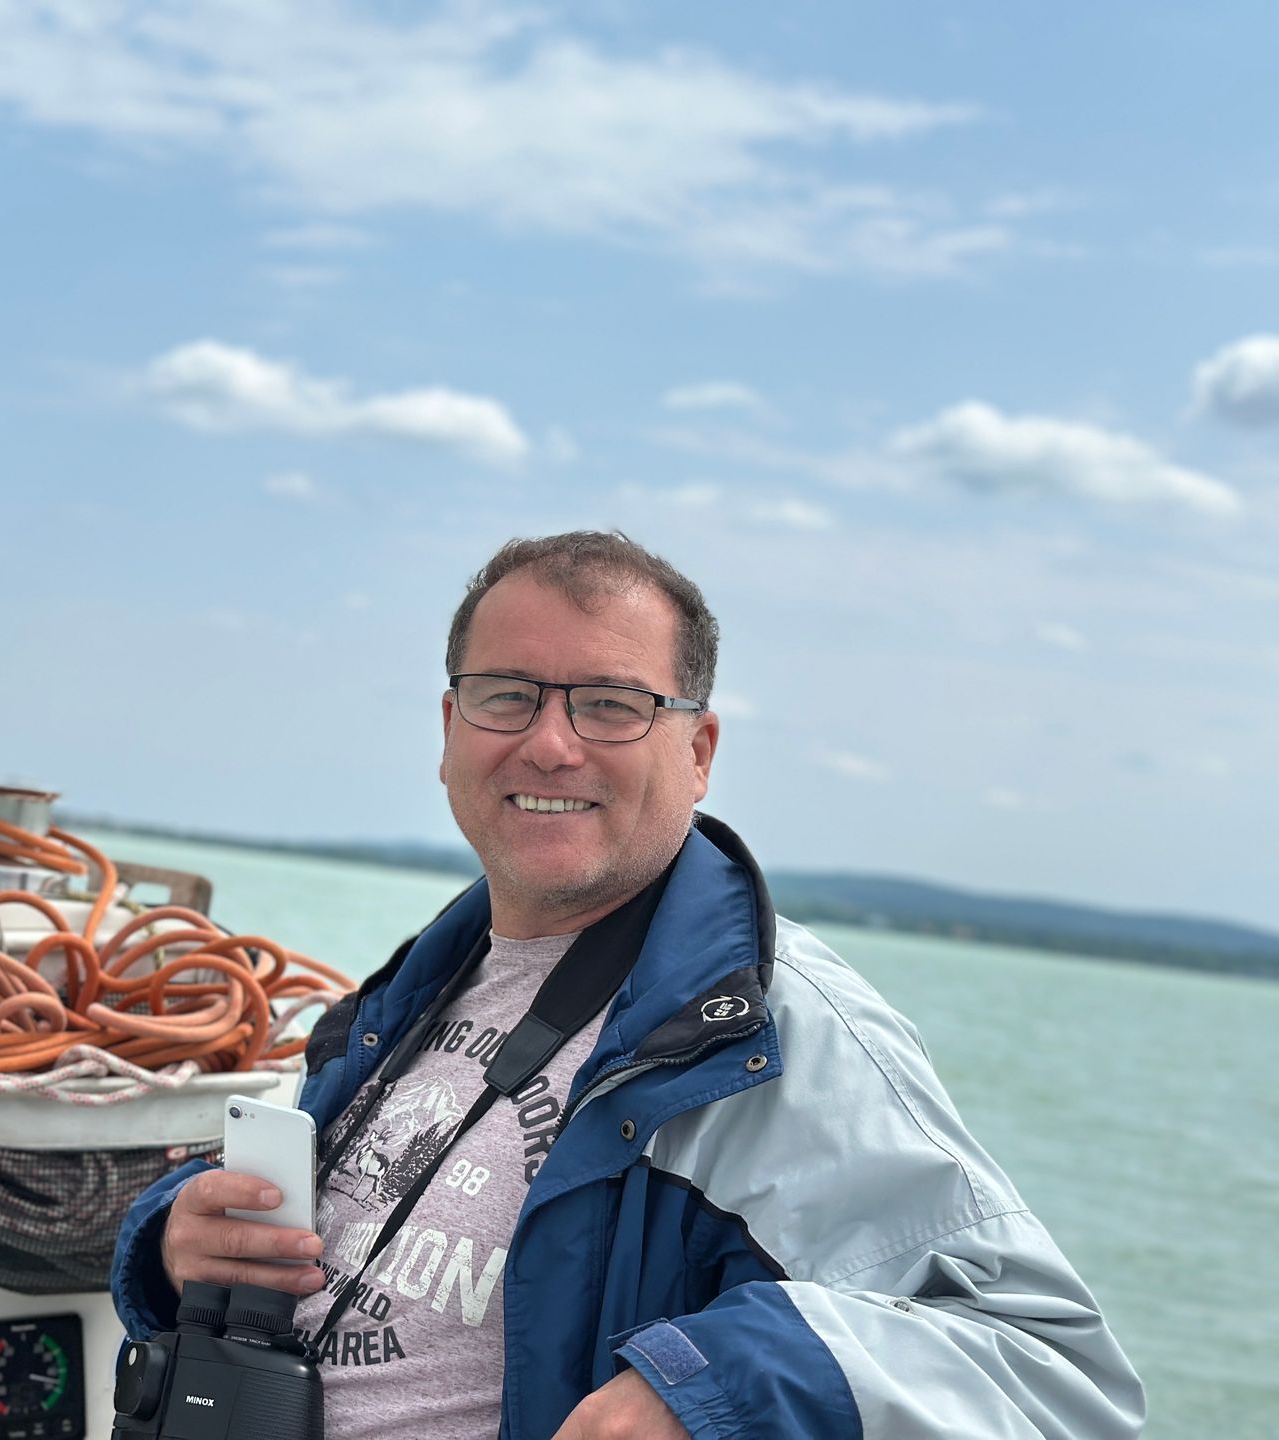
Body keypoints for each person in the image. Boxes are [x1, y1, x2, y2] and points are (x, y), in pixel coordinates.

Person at [111, 531, 1145, 1439]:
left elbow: (1056, 1379)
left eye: (611, 706)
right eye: (507, 695)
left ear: (697, 752)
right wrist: (175, 1239)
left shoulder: (772, 1030)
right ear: (449, 730)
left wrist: (712, 1391)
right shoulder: (416, 990)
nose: (550, 743)